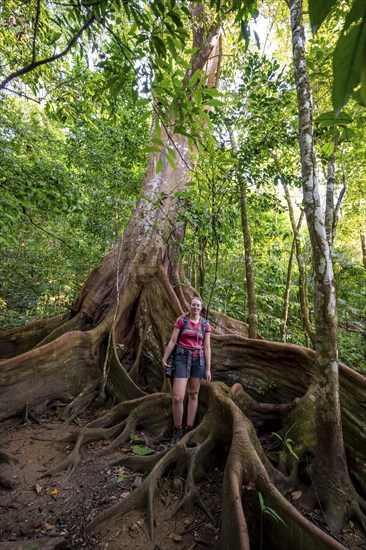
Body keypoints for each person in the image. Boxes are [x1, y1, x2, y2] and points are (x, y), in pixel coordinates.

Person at [162, 297, 212, 445]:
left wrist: (208, 369)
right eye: (193, 305)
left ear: (201, 308)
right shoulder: (181, 321)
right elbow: (172, 341)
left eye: (198, 305)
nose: (195, 307)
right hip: (181, 359)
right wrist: (164, 358)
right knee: (178, 397)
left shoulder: (205, 325)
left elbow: (207, 347)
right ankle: (177, 429)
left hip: (198, 361)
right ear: (190, 306)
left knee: (193, 394)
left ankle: (189, 431)